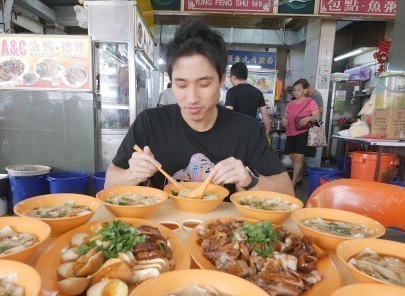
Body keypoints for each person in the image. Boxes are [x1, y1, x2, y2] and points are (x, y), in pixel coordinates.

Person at [105, 18, 293, 195]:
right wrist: (133, 174)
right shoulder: (150, 123)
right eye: (181, 85)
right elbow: (109, 183)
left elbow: (287, 190)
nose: (192, 98)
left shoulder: (246, 130)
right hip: (162, 227)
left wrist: (250, 180)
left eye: (203, 85)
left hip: (223, 227)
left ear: (221, 80)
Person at [282, 79, 320, 187]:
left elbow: (317, 116)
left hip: (303, 132)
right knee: (292, 156)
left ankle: (293, 181)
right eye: (294, 90)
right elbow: (285, 117)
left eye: (299, 90)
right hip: (290, 132)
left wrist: (309, 117)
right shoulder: (290, 104)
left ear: (305, 91)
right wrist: (284, 121)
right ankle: (298, 177)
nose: (296, 92)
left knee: (298, 157)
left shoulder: (310, 102)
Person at [224, 62, 271, 134]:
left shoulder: (232, 92)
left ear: (233, 77)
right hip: (251, 131)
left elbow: (227, 112)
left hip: (236, 132)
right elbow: (264, 113)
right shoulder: (258, 92)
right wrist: (268, 129)